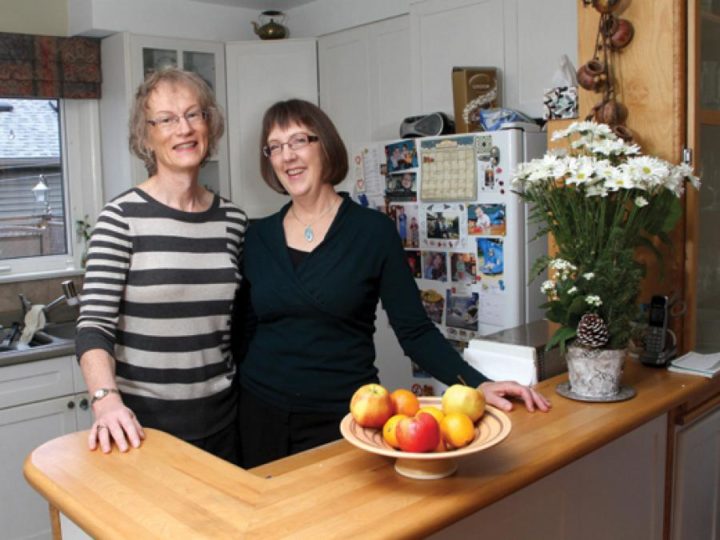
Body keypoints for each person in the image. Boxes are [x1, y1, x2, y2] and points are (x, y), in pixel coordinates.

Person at [238, 99, 550, 468]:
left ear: (325, 145)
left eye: (298, 141)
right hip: (259, 412)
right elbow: (244, 329)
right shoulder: (256, 237)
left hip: (346, 416)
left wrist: (476, 384)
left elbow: (414, 330)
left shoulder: (372, 232)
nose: (287, 156)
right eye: (275, 147)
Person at [75, 68, 247, 464]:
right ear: (145, 135)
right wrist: (106, 401)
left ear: (210, 124)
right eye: (166, 119)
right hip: (141, 427)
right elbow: (93, 327)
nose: (183, 129)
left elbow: (236, 325)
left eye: (194, 114)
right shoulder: (120, 218)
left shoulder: (233, 220)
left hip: (223, 420)